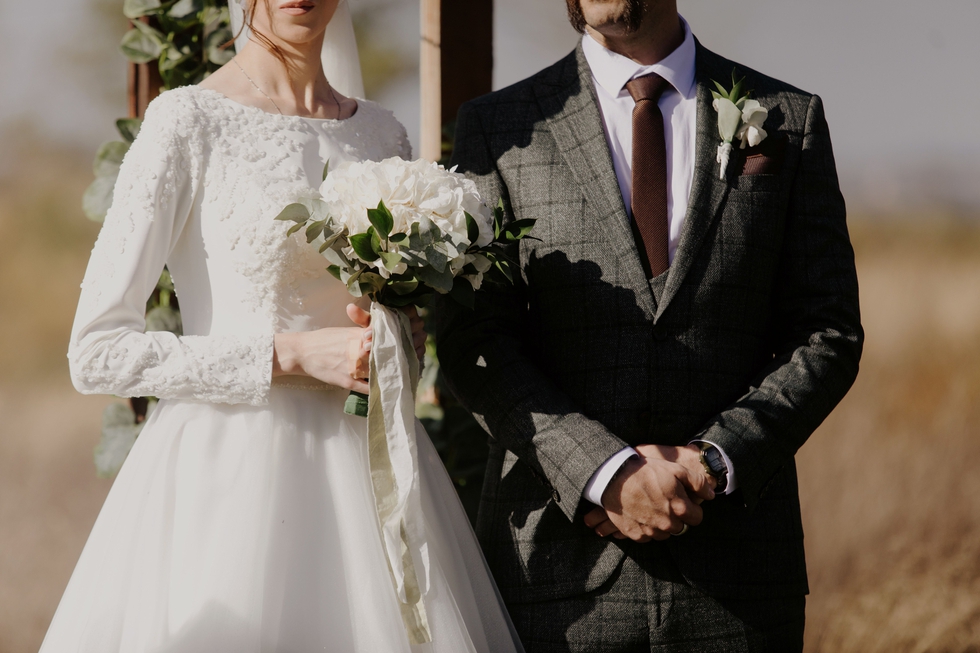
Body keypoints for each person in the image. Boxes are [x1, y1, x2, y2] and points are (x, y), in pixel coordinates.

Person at [40, 1, 524, 651]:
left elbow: (397, 323)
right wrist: (290, 353)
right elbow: (96, 351)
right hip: (225, 479)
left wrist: (398, 341)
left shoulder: (382, 134)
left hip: (369, 471)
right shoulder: (188, 122)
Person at [434, 0, 863, 650]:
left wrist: (716, 461)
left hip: (737, 576)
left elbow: (827, 331)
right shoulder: (500, 127)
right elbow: (474, 341)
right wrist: (604, 473)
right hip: (555, 573)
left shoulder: (784, 118)